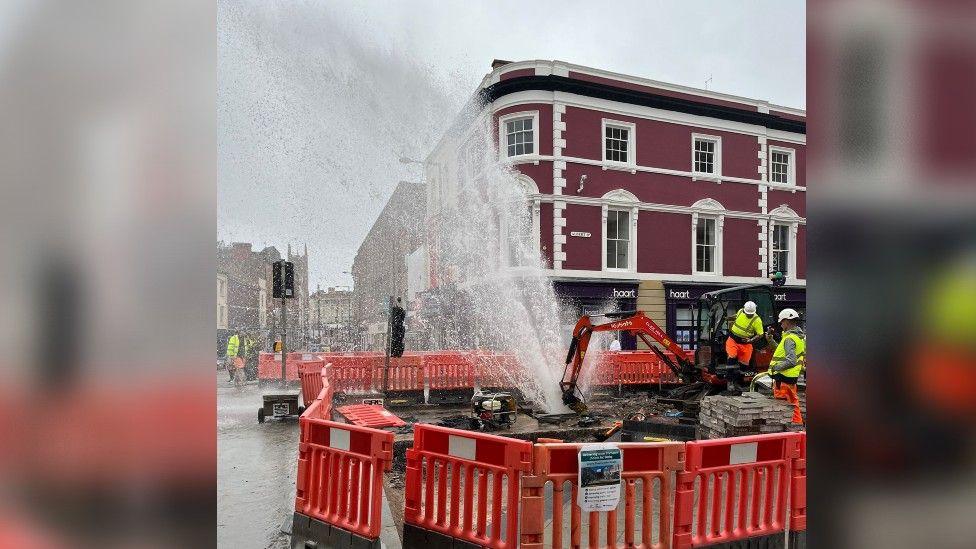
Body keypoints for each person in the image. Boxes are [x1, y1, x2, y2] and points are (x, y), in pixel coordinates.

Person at [768, 308, 805, 423]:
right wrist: (770, 340)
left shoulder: (789, 339)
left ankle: (794, 431)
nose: (780, 324)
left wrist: (775, 368)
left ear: (787, 322)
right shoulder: (796, 337)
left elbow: (791, 361)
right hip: (789, 378)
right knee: (793, 404)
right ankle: (798, 429)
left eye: (781, 322)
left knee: (785, 408)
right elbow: (781, 351)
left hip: (783, 379)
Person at [725, 300, 764, 376]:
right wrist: (727, 318)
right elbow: (736, 316)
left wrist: (750, 340)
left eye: (751, 314)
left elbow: (760, 334)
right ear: (744, 310)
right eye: (747, 313)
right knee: (731, 358)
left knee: (744, 364)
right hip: (733, 340)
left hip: (746, 343)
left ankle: (741, 382)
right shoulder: (740, 311)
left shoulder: (757, 320)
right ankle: (730, 381)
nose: (749, 315)